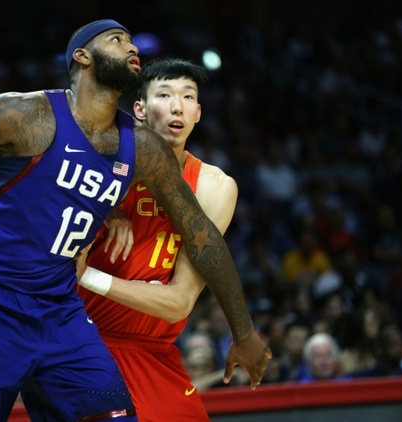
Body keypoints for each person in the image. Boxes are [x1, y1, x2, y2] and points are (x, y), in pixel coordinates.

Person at [0, 18, 268, 421]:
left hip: (60, 308)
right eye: (117, 40)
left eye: (133, 42)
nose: (132, 48)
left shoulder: (144, 148)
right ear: (82, 56)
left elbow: (203, 238)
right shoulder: (26, 114)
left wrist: (243, 331)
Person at [76, 58, 271, 421]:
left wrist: (88, 276)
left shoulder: (215, 186)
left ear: (198, 112)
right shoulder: (100, 164)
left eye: (187, 96)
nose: (177, 105)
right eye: (164, 95)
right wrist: (108, 209)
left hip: (154, 349)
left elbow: (180, 302)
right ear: (139, 109)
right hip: (83, 340)